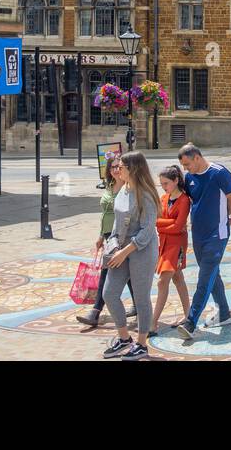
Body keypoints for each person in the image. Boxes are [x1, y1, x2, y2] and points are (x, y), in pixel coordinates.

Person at [100, 151, 160, 360]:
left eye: (122, 166)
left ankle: (142, 344)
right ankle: (124, 338)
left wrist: (125, 251)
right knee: (109, 293)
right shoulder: (123, 189)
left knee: (141, 297)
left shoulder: (146, 195)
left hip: (142, 251)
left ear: (132, 169)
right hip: (121, 249)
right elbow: (117, 222)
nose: (118, 169)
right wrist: (114, 245)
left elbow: (147, 230)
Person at [176, 142, 231, 339]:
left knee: (204, 278)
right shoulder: (189, 177)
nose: (186, 169)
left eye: (188, 164)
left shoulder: (220, 173)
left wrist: (223, 216)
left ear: (197, 157)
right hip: (198, 235)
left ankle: (190, 322)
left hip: (217, 235)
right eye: (183, 166)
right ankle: (224, 314)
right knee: (213, 274)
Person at [77, 154, 135, 328]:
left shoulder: (128, 187)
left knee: (107, 270)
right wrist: (101, 236)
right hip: (108, 235)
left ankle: (95, 311)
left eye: (119, 166)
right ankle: (139, 306)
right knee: (128, 275)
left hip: (121, 236)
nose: (116, 169)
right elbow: (104, 214)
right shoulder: (109, 186)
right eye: (113, 167)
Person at [148, 165, 191, 336]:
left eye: (166, 183)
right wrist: (168, 224)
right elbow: (158, 221)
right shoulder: (164, 198)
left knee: (162, 281)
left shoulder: (185, 200)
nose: (163, 187)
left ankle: (153, 323)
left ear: (176, 181)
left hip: (177, 245)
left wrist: (162, 224)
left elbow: (179, 226)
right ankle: (189, 315)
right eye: (162, 184)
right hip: (165, 243)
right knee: (178, 279)